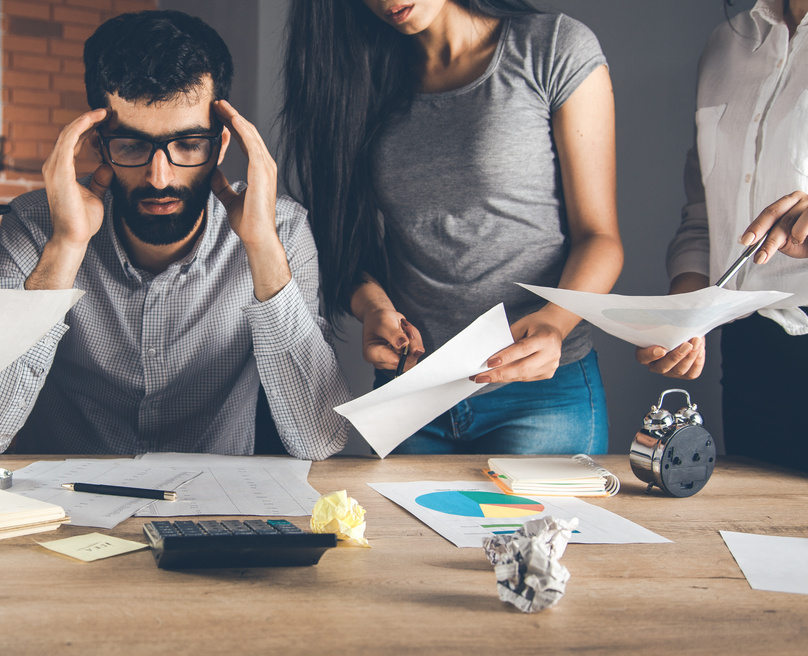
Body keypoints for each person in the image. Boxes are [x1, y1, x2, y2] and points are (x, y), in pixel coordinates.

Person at [0, 10, 351, 460]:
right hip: (67, 508)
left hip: (214, 507)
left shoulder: (281, 230)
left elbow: (319, 439)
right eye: (133, 145)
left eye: (189, 145)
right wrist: (66, 247)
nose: (160, 177)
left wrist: (262, 248)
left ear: (222, 145)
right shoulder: (36, 225)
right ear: (97, 143)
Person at [281, 0, 622, 455]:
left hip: (539, 395)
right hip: (415, 390)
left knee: (538, 531)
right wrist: (374, 307)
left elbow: (600, 238)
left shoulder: (553, 48)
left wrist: (555, 324)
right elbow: (345, 239)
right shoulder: (354, 75)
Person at [638, 0, 808, 471]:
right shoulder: (727, 44)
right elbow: (703, 219)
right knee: (755, 533)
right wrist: (684, 319)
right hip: (750, 352)